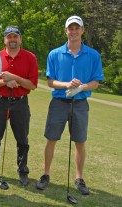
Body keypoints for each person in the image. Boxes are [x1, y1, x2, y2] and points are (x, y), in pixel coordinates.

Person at [36, 16, 104, 195]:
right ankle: (45, 174)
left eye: (77, 28)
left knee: (80, 142)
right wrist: (67, 85)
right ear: (66, 31)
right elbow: (50, 82)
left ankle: (79, 178)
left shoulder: (93, 55)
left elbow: (96, 81)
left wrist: (82, 87)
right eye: (70, 28)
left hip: (80, 103)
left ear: (82, 30)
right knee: (51, 139)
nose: (73, 31)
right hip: (59, 102)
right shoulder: (54, 54)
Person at [0, 25, 39, 186]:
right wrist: (6, 81)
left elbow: (32, 85)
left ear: (20, 38)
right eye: (9, 37)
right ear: (4, 39)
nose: (12, 39)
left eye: (15, 36)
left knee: (22, 139)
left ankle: (22, 171)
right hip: (0, 102)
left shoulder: (30, 57)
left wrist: (15, 77)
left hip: (20, 103)